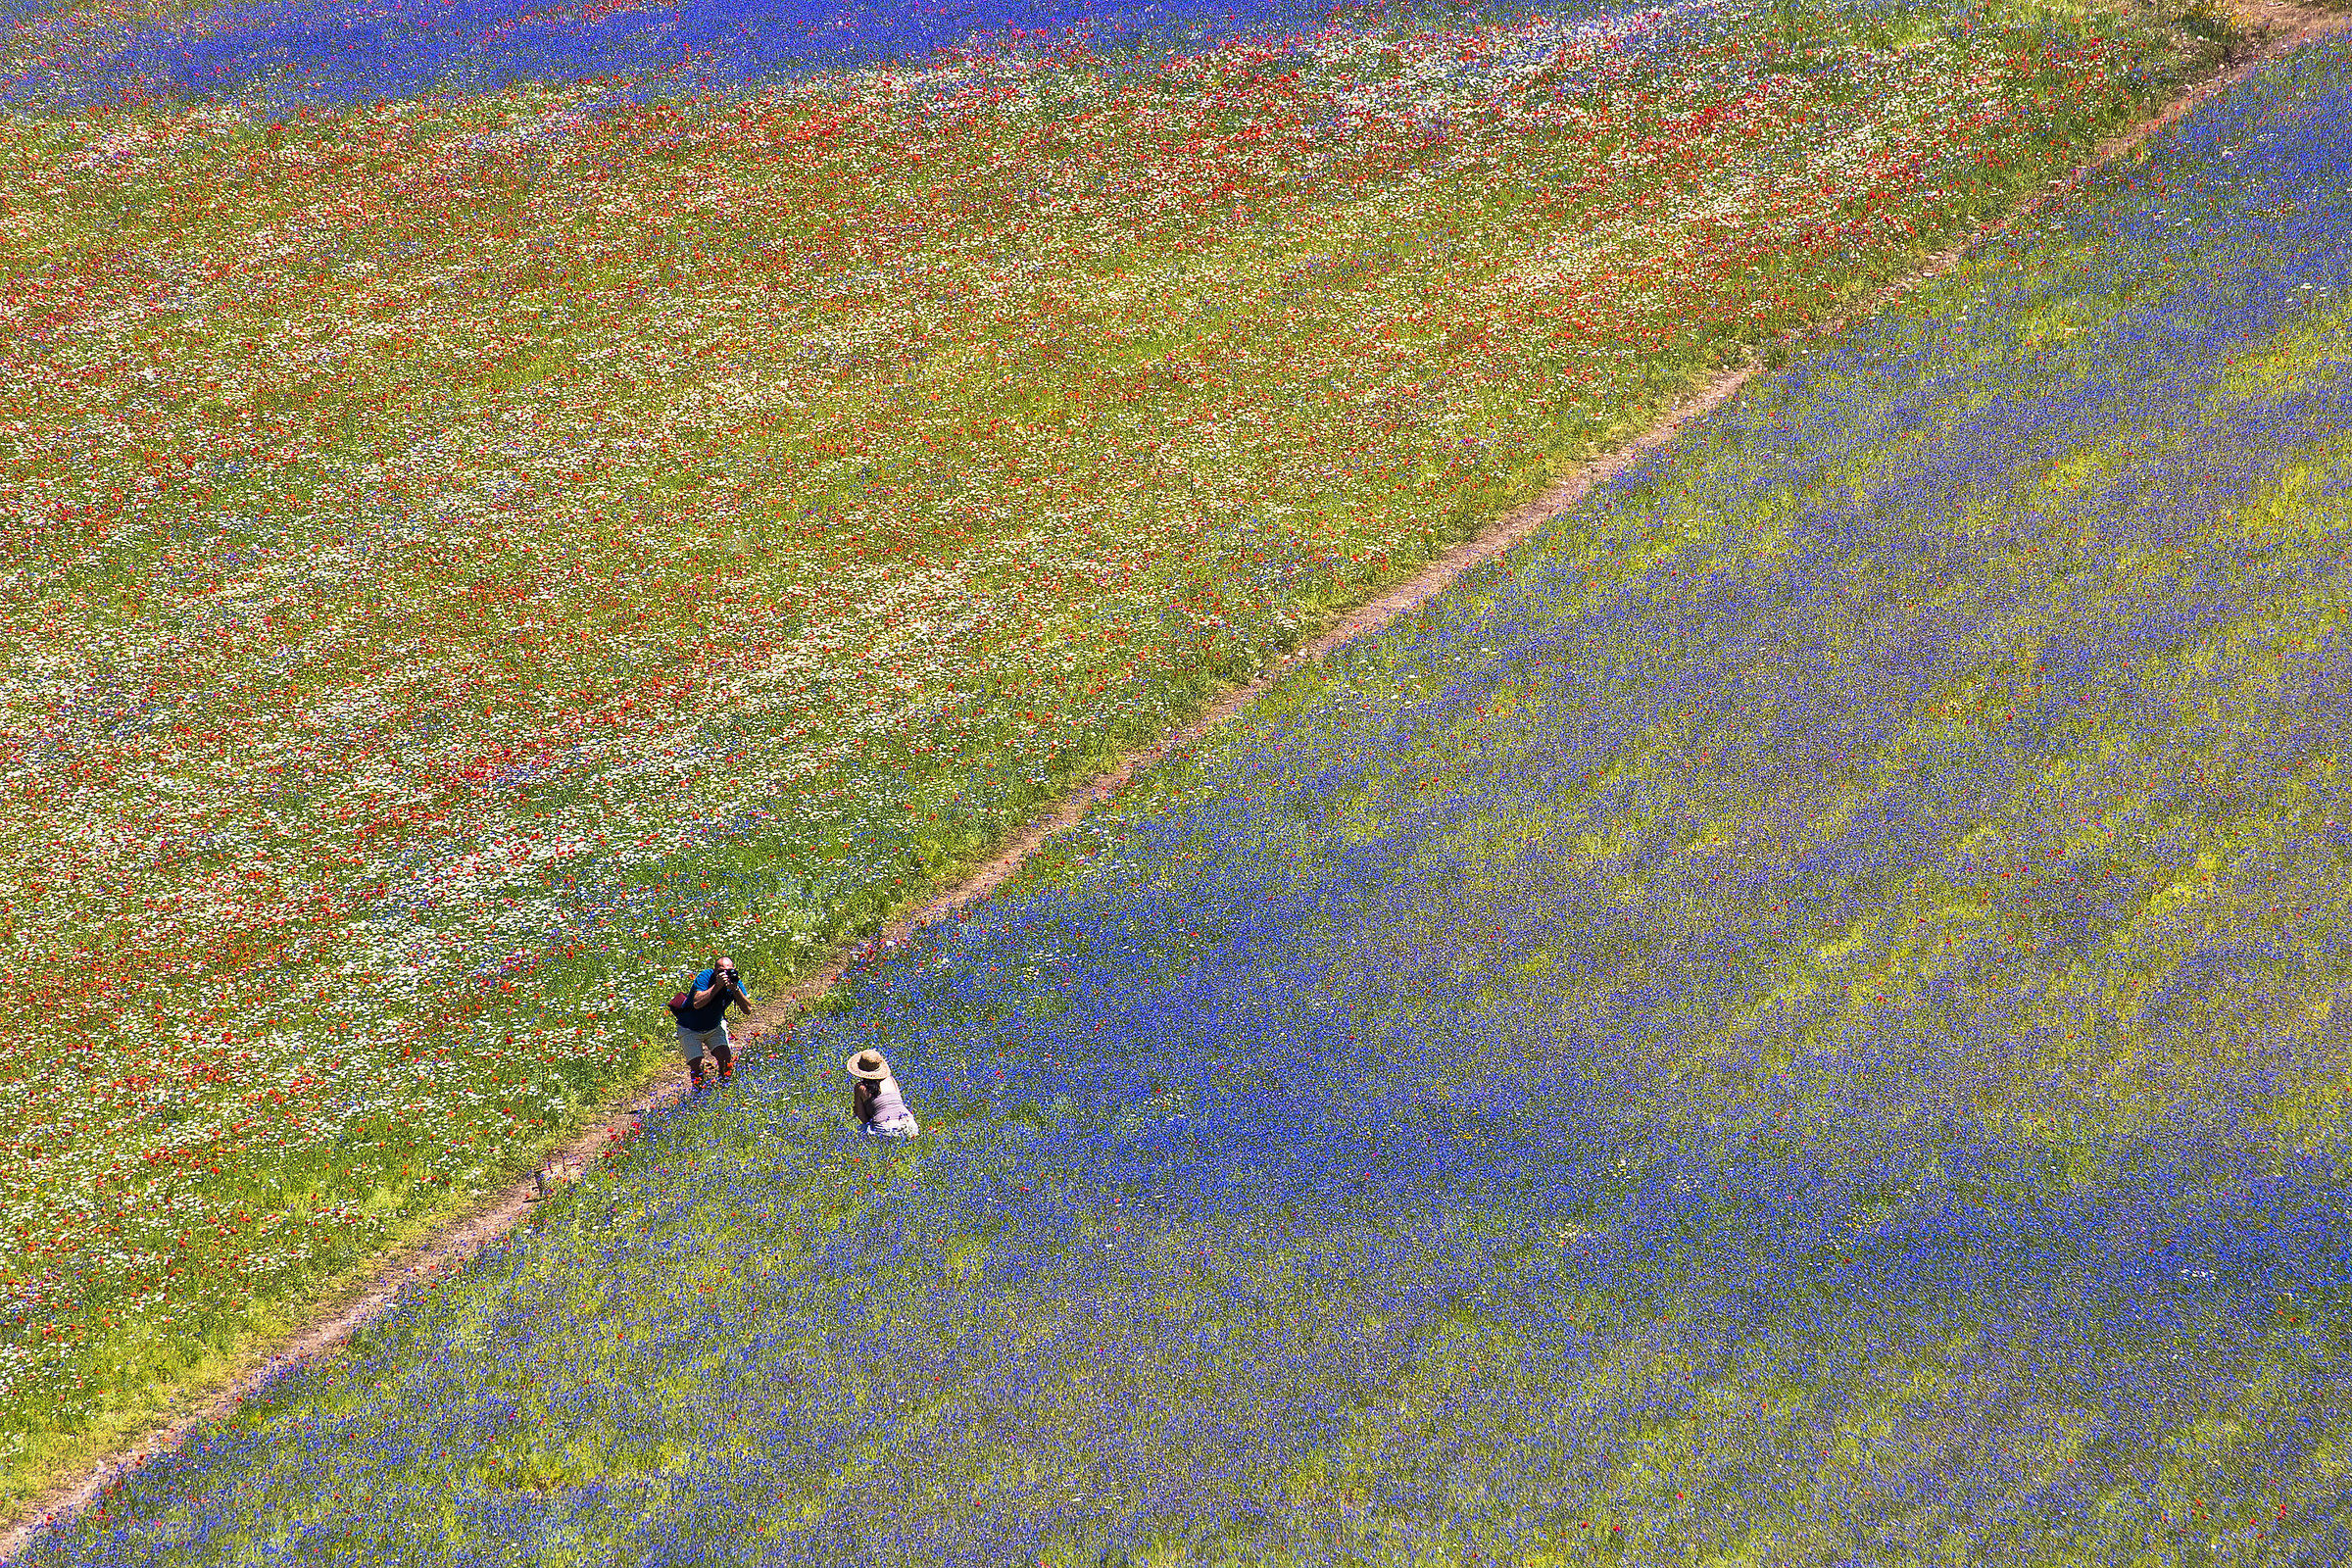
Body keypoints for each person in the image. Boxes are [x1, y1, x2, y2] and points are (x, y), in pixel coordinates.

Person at [675, 956, 752, 1091]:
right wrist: (717, 986)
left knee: (725, 1058)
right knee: (697, 1065)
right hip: (689, 1028)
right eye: (721, 971)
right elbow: (697, 1003)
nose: (725, 974)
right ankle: (698, 1096)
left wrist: (735, 989)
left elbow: (747, 1010)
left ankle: (725, 1090)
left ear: (733, 969)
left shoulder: (735, 981)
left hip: (714, 1026)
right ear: (715, 970)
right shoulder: (705, 977)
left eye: (728, 971)